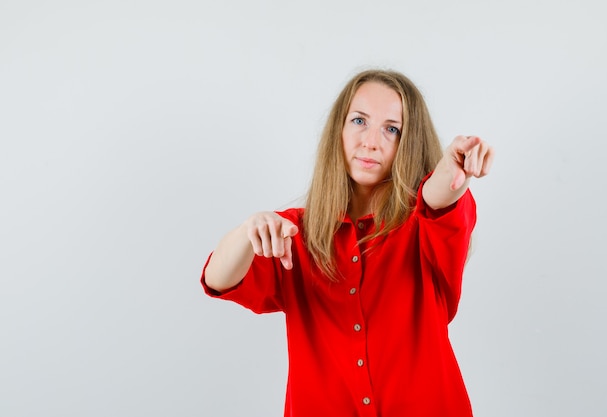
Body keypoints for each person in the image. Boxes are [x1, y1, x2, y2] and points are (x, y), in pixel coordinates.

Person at [200, 69, 494, 417]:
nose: (371, 141)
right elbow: (218, 279)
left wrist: (453, 166)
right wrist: (249, 231)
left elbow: (439, 195)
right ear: (338, 130)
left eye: (392, 129)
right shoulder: (293, 232)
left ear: (408, 144)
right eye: (359, 121)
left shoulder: (423, 225)